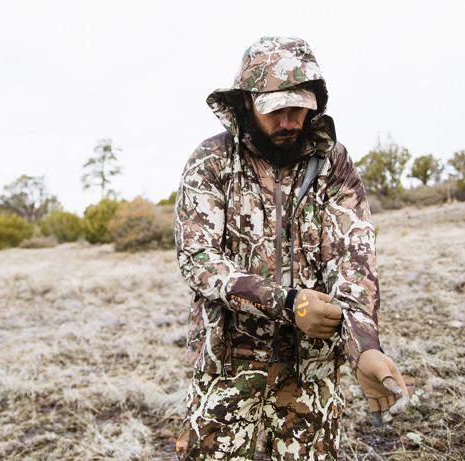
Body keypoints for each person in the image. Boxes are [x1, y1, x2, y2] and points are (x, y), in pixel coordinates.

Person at [174, 36, 409, 460]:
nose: (288, 121)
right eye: (275, 109)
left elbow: (352, 257)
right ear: (246, 104)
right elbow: (199, 258)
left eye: (297, 107)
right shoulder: (212, 160)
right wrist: (287, 303)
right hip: (229, 363)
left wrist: (364, 346)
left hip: (312, 368)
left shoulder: (333, 163)